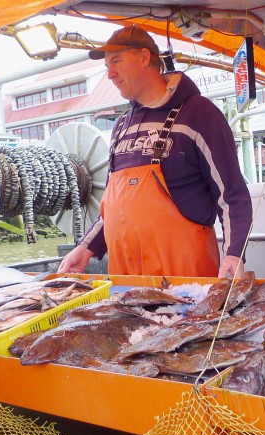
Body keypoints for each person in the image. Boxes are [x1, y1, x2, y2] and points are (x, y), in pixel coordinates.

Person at [57, 25, 252, 278]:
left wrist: (234, 254)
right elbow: (113, 207)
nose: (110, 74)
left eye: (116, 61)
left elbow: (232, 195)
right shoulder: (120, 126)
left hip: (184, 274)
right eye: (107, 66)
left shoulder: (198, 114)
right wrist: (85, 248)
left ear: (144, 57)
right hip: (125, 277)